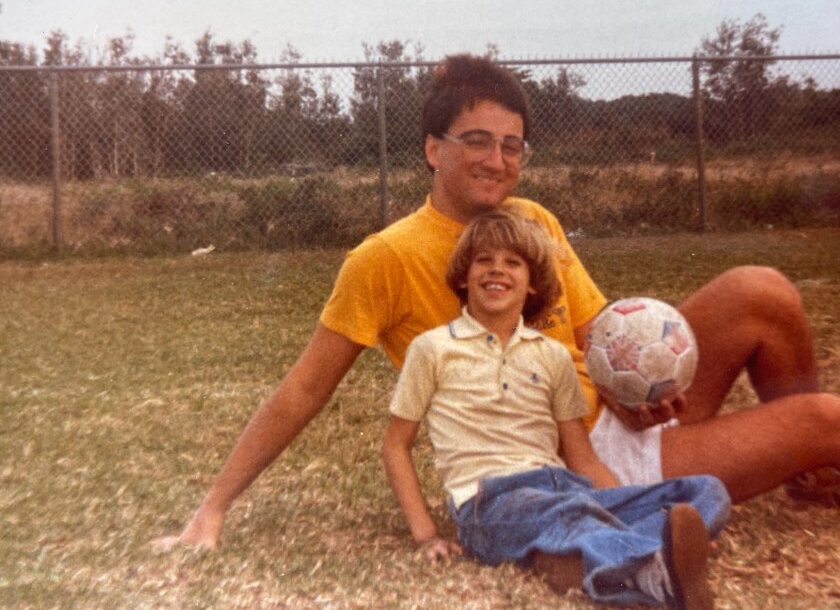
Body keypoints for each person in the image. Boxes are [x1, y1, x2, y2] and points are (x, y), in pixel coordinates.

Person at [157, 53, 840, 553]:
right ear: (432, 149)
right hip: (567, 463)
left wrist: (638, 384)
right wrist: (213, 508)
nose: (496, 160)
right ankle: (804, 449)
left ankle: (811, 481)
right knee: (823, 419)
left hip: (619, 413)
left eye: (511, 146)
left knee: (763, 289)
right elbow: (302, 390)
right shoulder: (384, 258)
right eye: (476, 141)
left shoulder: (533, 222)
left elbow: (597, 331)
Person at [382, 207, 730, 608]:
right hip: (490, 501)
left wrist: (626, 504)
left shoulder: (553, 357)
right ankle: (653, 568)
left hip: (563, 485)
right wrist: (426, 535)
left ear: (533, 284)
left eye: (513, 263)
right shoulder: (433, 349)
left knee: (704, 490)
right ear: (463, 275)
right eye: (484, 261)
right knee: (566, 515)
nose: (497, 271)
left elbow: (582, 458)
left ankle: (648, 547)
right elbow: (395, 445)